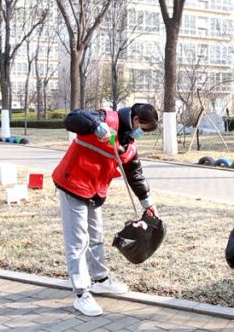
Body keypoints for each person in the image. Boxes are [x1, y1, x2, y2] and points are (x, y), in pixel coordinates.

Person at [52, 103, 159, 317]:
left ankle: (100, 280)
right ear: (136, 119)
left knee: (96, 237)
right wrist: (95, 126)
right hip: (72, 184)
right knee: (78, 242)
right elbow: (72, 118)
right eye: (143, 129)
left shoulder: (128, 144)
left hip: (95, 191)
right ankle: (82, 294)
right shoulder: (105, 118)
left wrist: (147, 202)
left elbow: (135, 175)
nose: (142, 134)